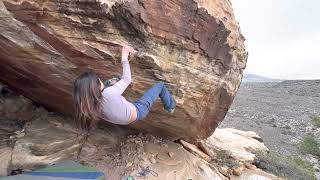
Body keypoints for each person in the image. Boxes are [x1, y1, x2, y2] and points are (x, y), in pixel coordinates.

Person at [73, 45, 176, 131]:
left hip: (124, 118)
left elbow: (106, 92)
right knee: (160, 85)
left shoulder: (89, 103)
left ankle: (114, 82)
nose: (100, 79)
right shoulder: (109, 93)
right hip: (139, 110)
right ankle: (170, 107)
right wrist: (124, 58)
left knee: (110, 82)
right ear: (97, 86)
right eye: (98, 79)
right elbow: (127, 79)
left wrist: (110, 84)